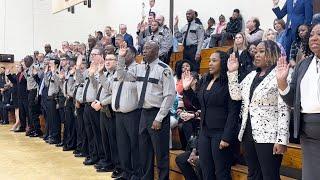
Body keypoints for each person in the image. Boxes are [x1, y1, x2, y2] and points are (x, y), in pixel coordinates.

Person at [227, 40, 290, 180]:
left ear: (274, 54)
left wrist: (282, 139)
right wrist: (232, 73)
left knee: (270, 175)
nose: (256, 55)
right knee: (253, 174)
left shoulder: (280, 75)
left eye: (262, 51)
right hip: (248, 132)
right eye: (255, 52)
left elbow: (284, 108)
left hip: (269, 135)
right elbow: (236, 95)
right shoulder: (251, 76)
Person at [117, 41, 175, 180]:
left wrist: (159, 118)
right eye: (143, 48)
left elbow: (169, 96)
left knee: (161, 154)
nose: (144, 50)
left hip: (158, 114)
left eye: (148, 48)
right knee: (144, 152)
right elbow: (121, 76)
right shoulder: (139, 68)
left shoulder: (164, 69)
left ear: (156, 51)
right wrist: (120, 58)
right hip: (144, 113)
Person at [182, 51, 238, 180]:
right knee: (206, 171)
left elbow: (233, 112)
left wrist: (227, 137)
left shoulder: (229, 82)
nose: (210, 63)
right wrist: (187, 90)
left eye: (214, 60)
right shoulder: (206, 80)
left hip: (221, 133)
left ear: (222, 62)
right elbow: (198, 104)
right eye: (209, 61)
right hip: (205, 132)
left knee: (221, 173)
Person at [276, 23, 320, 179]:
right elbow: (290, 99)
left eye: (319, 34)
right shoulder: (302, 65)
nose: (314, 38)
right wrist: (282, 82)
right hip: (308, 132)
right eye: (312, 34)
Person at [114, 44, 141, 180]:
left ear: (134, 55)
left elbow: (122, 75)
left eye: (127, 52)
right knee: (123, 145)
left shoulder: (138, 68)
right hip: (119, 114)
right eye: (122, 52)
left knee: (134, 145)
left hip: (132, 114)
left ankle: (136, 174)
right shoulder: (120, 69)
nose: (124, 54)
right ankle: (126, 173)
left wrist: (120, 58)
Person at [23, 55, 43, 137]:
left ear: (30, 61)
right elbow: (27, 79)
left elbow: (38, 82)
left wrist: (37, 95)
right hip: (30, 91)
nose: (25, 63)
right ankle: (33, 129)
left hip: (34, 92)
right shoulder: (28, 70)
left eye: (26, 61)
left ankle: (38, 130)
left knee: (34, 112)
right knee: (30, 112)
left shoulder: (35, 68)